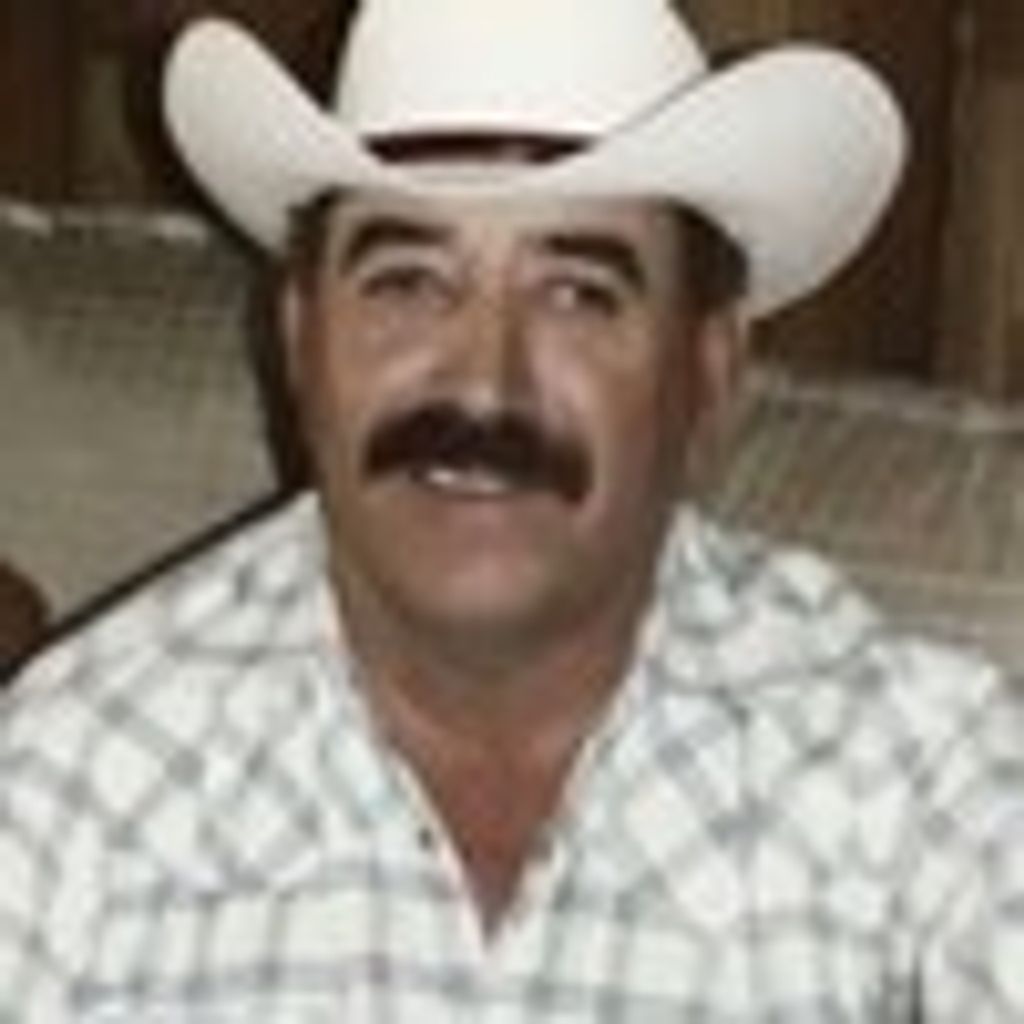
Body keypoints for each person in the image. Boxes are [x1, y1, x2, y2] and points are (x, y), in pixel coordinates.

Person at [2, 0, 1022, 1018]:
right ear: (301, 342)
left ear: (708, 375)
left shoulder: (911, 774)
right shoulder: (71, 790)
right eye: (407, 282)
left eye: (577, 294)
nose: (484, 380)